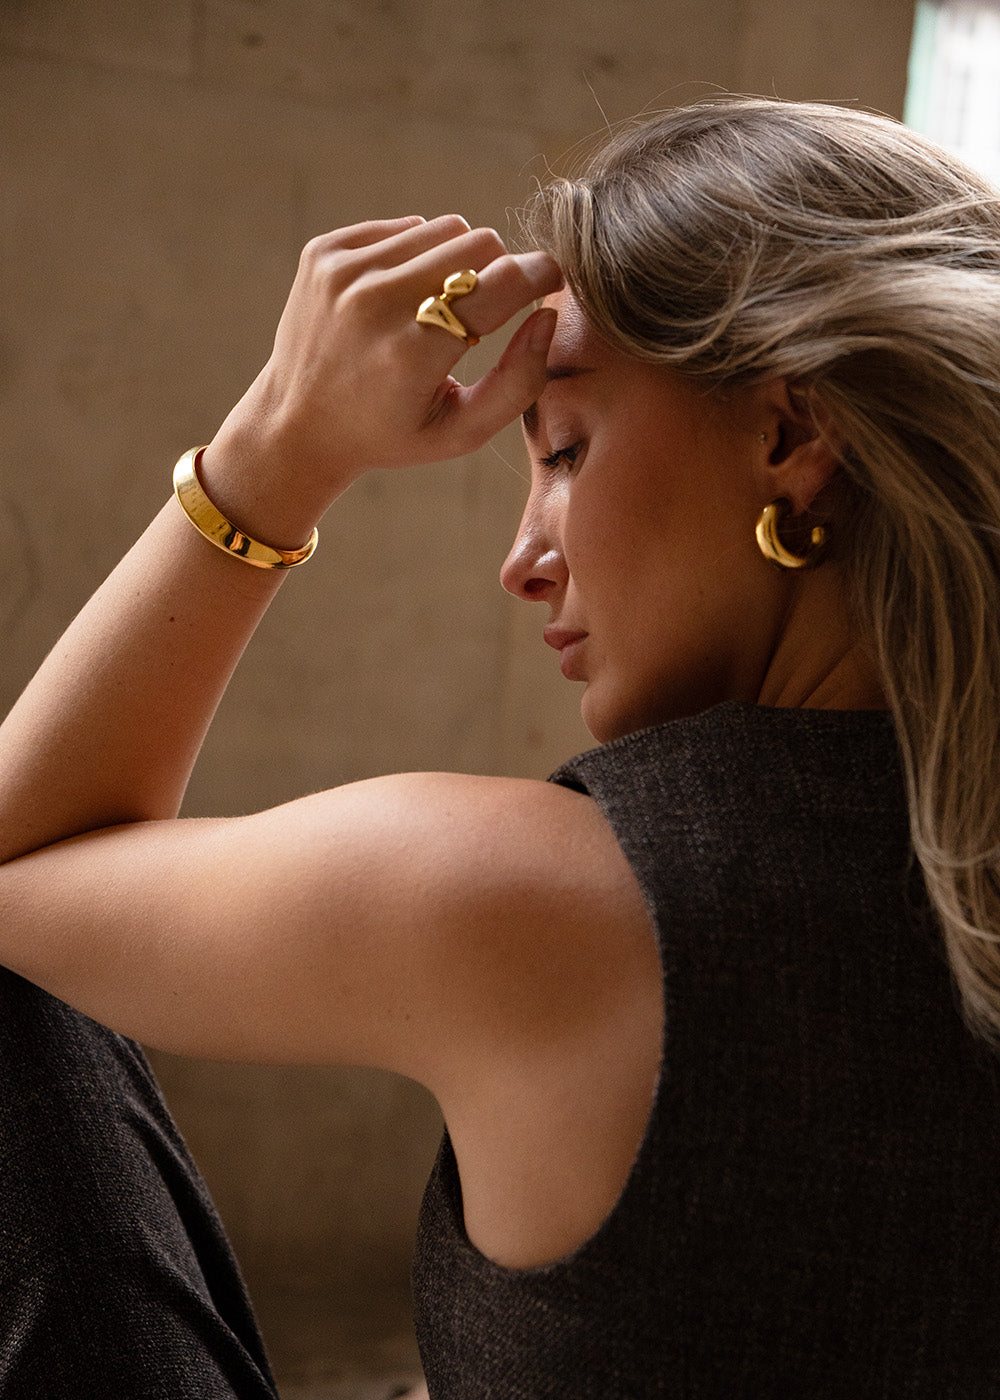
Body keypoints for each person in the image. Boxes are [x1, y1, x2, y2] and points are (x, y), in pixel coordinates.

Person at [2, 94, 1000, 1398]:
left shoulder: (543, 898)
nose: (523, 559)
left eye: (567, 450)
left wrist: (273, 458)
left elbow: (16, 869)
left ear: (790, 437)